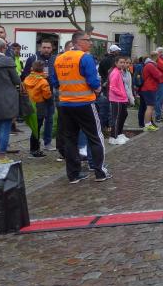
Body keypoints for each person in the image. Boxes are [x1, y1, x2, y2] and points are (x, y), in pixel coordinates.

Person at [52, 31, 111, 183]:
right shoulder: (85, 57)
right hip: (84, 103)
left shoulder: (59, 58)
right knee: (95, 137)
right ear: (78, 42)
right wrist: (98, 89)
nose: (90, 43)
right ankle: (100, 172)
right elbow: (93, 81)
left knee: (70, 139)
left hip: (65, 104)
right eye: (88, 40)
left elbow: (55, 82)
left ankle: (73, 175)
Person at [20, 40, 57, 152]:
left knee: (49, 120)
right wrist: (38, 77)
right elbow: (25, 75)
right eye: (44, 47)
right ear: (40, 48)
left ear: (52, 48)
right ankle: (35, 145)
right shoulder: (33, 58)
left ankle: (47, 143)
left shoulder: (55, 59)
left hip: (49, 93)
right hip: (36, 97)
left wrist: (51, 79)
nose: (46, 50)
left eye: (48, 48)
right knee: (37, 122)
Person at [23, 60, 52, 158]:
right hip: (39, 105)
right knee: (37, 128)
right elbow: (47, 95)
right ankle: (35, 149)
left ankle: (33, 148)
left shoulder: (27, 78)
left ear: (32, 68)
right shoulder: (43, 81)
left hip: (29, 104)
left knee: (34, 127)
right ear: (43, 69)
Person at [108, 56, 134, 145]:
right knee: (116, 118)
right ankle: (113, 137)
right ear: (116, 63)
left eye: (124, 62)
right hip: (117, 99)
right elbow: (112, 87)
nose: (123, 64)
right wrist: (122, 94)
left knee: (123, 115)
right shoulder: (115, 72)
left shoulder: (119, 72)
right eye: (121, 62)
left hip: (121, 99)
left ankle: (119, 134)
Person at [140, 53, 162, 132]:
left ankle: (148, 124)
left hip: (149, 87)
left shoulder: (149, 65)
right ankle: (147, 125)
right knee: (150, 107)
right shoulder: (150, 65)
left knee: (150, 107)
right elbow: (158, 75)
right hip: (149, 87)